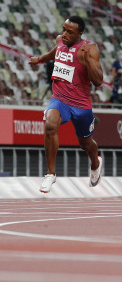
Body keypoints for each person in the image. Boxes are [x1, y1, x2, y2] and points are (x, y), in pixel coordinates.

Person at [28, 16, 104, 193]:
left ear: (80, 33)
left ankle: (95, 163)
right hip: (60, 99)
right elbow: (55, 51)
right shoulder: (60, 40)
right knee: (50, 125)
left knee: (86, 144)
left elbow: (99, 81)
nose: (64, 34)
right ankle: (51, 174)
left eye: (70, 32)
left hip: (81, 104)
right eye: (63, 29)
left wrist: (87, 62)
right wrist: (40, 59)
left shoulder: (90, 49)